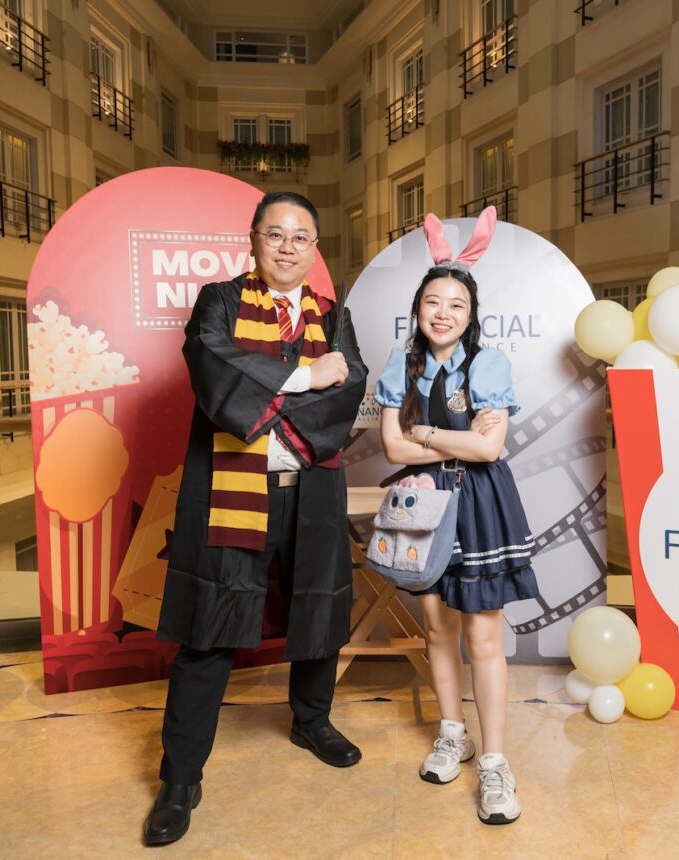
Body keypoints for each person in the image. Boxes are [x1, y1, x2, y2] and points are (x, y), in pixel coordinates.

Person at [145, 191, 368, 846]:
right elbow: (213, 364)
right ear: (253, 239)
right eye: (276, 234)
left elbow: (351, 383)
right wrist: (304, 377)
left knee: (318, 607)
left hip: (313, 489)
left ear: (315, 248)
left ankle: (311, 720)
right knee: (210, 624)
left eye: (301, 237)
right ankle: (181, 776)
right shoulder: (219, 301)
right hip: (231, 485)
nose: (288, 246)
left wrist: (286, 386)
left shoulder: (334, 315)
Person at [373, 207, 538, 825]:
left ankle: (494, 762)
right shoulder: (400, 364)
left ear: (471, 315)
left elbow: (489, 451)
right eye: (433, 302)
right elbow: (392, 450)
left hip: (479, 503)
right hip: (424, 505)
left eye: (456, 305)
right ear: (418, 309)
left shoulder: (488, 363)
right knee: (438, 631)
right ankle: (453, 733)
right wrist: (454, 439)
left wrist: (424, 432)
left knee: (484, 637)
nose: (443, 313)